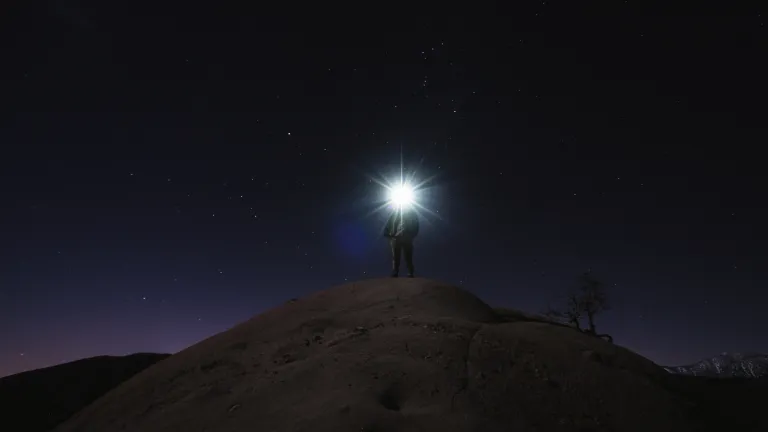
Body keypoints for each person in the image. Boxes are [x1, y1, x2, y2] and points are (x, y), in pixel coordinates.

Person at [382, 205, 419, 277]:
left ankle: (410, 272)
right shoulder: (394, 214)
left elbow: (416, 225)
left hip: (407, 237)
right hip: (396, 238)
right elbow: (388, 224)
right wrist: (388, 234)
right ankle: (395, 272)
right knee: (396, 256)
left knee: (408, 256)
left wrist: (412, 234)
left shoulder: (412, 214)